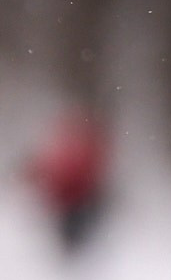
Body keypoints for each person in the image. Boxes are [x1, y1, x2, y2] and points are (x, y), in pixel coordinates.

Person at [25, 108, 111, 256]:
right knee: (73, 235)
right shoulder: (73, 151)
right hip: (73, 203)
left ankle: (75, 255)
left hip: (78, 202)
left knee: (76, 235)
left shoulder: (76, 151)